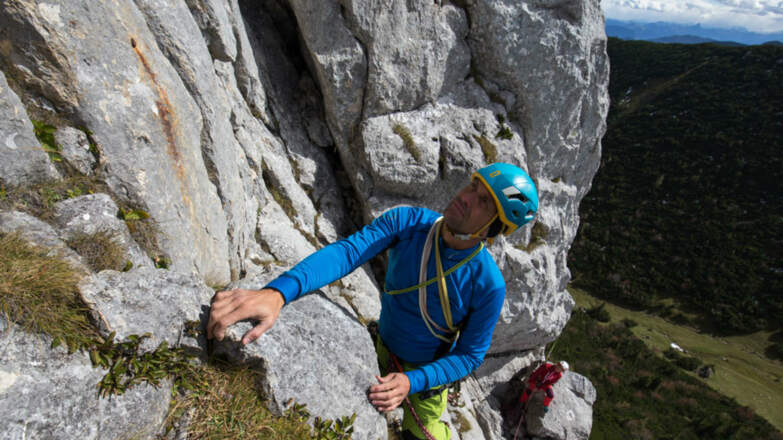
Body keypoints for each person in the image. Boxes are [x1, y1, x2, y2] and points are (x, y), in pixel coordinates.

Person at [207, 162, 539, 440]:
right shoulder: (410, 223)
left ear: (492, 230)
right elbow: (348, 252)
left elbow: (469, 356)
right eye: (472, 187)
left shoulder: (487, 284)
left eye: (483, 202)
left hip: (424, 378)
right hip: (381, 346)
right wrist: (278, 292)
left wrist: (412, 381)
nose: (466, 198)